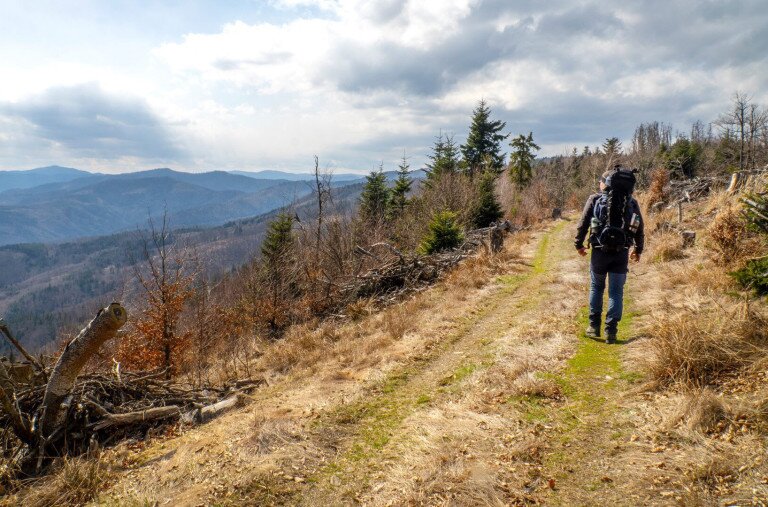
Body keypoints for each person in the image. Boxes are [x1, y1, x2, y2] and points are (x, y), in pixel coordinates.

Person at [574, 167, 644, 344]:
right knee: (616, 292)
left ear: (605, 183)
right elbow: (639, 227)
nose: (599, 183)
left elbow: (583, 224)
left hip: (599, 250)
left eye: (600, 181)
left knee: (597, 287)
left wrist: (579, 245)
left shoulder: (595, 199)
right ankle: (611, 331)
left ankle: (593, 326)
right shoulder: (632, 202)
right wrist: (638, 250)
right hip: (621, 251)